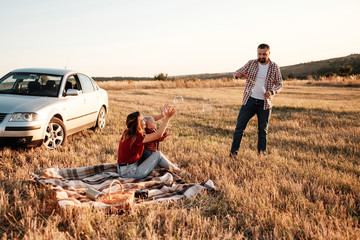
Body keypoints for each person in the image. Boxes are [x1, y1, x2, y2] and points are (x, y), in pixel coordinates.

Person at [230, 43, 283, 157]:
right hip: (249, 100)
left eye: (264, 54)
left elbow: (280, 84)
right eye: (259, 54)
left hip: (265, 104)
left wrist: (272, 92)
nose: (261, 56)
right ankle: (233, 154)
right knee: (239, 128)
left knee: (262, 131)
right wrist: (237, 75)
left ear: (269, 53)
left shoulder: (274, 67)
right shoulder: (251, 63)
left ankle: (261, 155)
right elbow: (236, 73)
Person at [117, 106, 180, 179]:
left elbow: (149, 122)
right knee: (158, 155)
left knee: (147, 152)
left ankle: (171, 166)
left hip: (123, 169)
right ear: (138, 124)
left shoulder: (128, 132)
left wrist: (162, 115)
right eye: (143, 120)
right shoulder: (138, 137)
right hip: (131, 173)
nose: (145, 121)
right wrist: (167, 118)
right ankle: (178, 171)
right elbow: (159, 134)